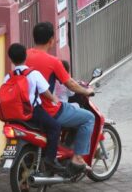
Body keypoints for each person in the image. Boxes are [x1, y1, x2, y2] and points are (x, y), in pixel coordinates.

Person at [26, 22, 95, 172]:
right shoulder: (53, 61)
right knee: (89, 117)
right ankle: (77, 158)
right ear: (51, 40)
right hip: (49, 110)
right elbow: (70, 84)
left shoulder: (25, 55)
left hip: (26, 108)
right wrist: (86, 91)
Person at [5, 43, 66, 172]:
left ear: (11, 59)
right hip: (32, 113)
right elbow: (46, 91)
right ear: (25, 56)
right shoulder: (33, 74)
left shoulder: (8, 77)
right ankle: (50, 159)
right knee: (55, 127)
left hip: (14, 116)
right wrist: (54, 99)